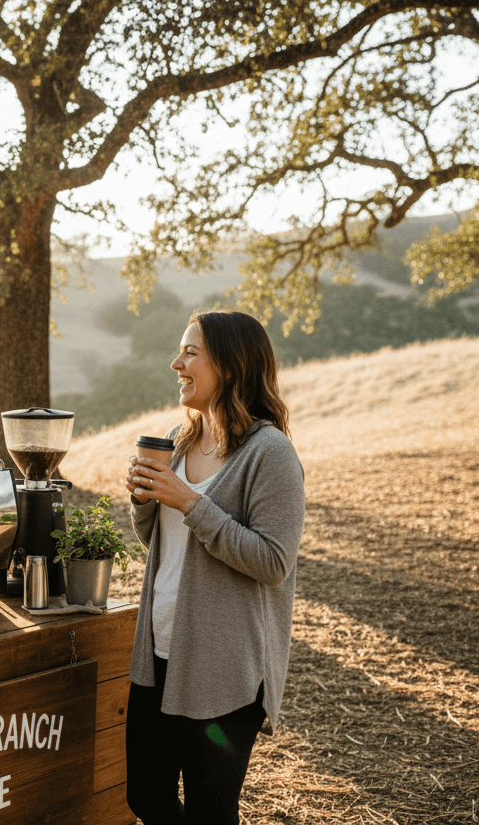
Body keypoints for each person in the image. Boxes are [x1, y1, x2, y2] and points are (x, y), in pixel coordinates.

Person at [123, 309, 305, 825]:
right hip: (156, 655)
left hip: (221, 672)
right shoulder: (178, 440)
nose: (175, 362)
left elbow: (273, 562)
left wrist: (189, 503)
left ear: (230, 364)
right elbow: (164, 544)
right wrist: (145, 500)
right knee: (146, 797)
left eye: (190, 352)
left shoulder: (269, 454)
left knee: (210, 810)